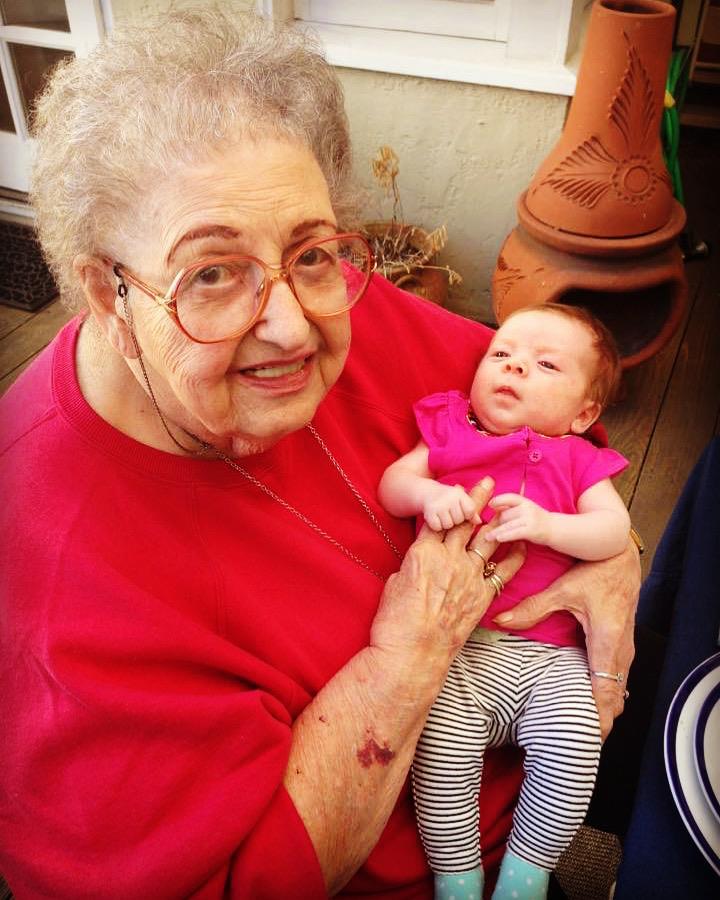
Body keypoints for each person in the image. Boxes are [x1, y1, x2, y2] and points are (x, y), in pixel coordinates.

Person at [0, 8, 640, 899]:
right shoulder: (54, 573)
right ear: (110, 296)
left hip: (542, 781)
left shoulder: (344, 303)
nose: (293, 326)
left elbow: (562, 421)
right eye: (212, 273)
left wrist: (615, 559)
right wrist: (407, 659)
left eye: (309, 251)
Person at [379, 304, 631, 900]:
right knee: (439, 751)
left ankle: (527, 874)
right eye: (501, 354)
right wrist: (429, 495)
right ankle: (457, 876)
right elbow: (394, 485)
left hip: (554, 658)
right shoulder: (449, 429)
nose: (514, 366)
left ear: (583, 414)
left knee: (576, 749)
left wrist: (549, 527)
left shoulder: (580, 460)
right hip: (460, 649)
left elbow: (613, 532)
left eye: (545, 364)